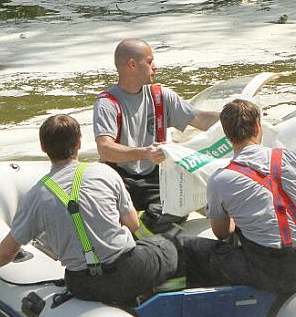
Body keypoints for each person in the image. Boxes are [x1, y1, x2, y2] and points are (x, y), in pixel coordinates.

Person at [0, 114, 182, 306]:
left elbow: (7, 252)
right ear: (79, 143)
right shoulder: (105, 173)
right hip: (128, 270)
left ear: (44, 148)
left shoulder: (35, 196)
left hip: (82, 283)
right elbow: (133, 224)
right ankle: (162, 290)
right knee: (170, 245)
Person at [179, 99, 296, 295]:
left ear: (226, 135)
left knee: (192, 250)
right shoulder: (293, 158)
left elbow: (222, 233)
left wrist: (237, 216)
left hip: (268, 272)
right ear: (257, 126)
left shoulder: (219, 180)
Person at [93, 38, 219, 234]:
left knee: (180, 204)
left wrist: (236, 117)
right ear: (132, 65)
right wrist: (145, 153)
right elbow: (105, 149)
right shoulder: (107, 103)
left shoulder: (161, 96)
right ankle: (135, 238)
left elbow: (200, 119)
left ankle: (144, 234)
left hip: (156, 176)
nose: (155, 67)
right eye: (150, 61)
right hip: (120, 178)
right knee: (101, 208)